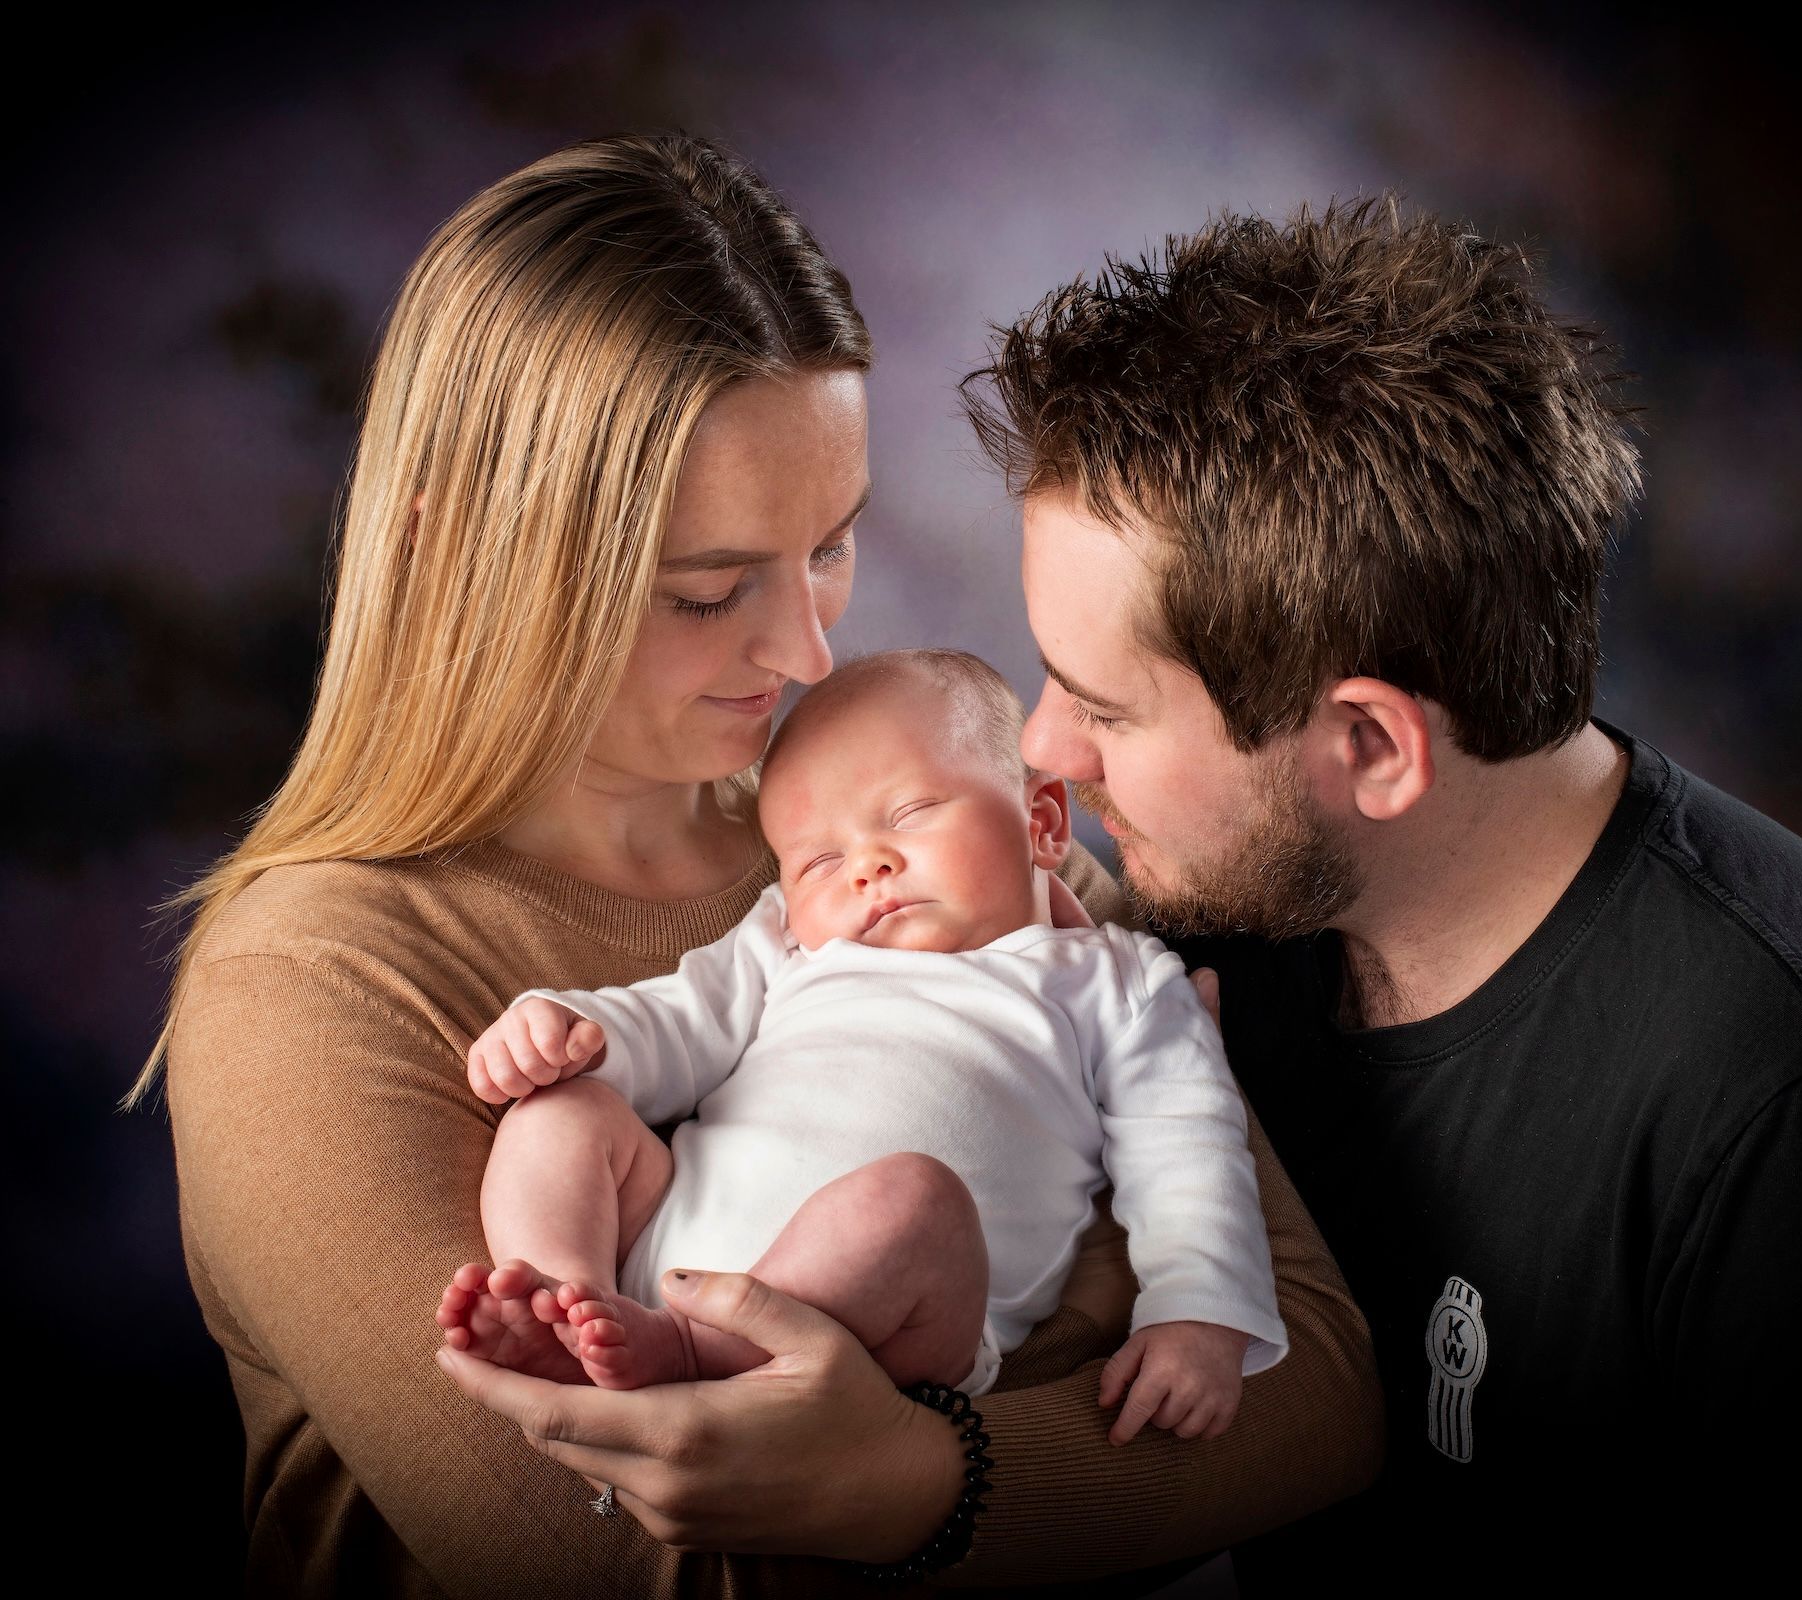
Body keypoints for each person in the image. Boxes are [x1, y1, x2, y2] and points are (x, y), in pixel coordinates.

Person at [138, 136, 1383, 1596]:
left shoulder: (930, 833)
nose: (807, 654)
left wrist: (920, 1469)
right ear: (455, 558)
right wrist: (1071, 1350)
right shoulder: (313, 986)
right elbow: (640, 1563)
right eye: (706, 591)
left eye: (833, 548)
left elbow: (1321, 1395)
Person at [963, 199, 1802, 1573]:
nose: (1043, 751)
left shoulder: (1801, 1124)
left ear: (1370, 747)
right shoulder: (1213, 929)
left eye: (1104, 709)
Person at [442, 649, 1285, 1450]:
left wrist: (1197, 1314)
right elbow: (677, 1023)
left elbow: (1189, 1149)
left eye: (910, 814)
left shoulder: (1119, 980)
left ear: (1042, 821)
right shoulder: (787, 942)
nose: (867, 868)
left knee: (911, 1196)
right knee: (563, 1110)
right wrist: (570, 1030)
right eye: (817, 861)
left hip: (888, 1322)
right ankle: (561, 1300)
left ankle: (695, 1355)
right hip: (664, 1259)